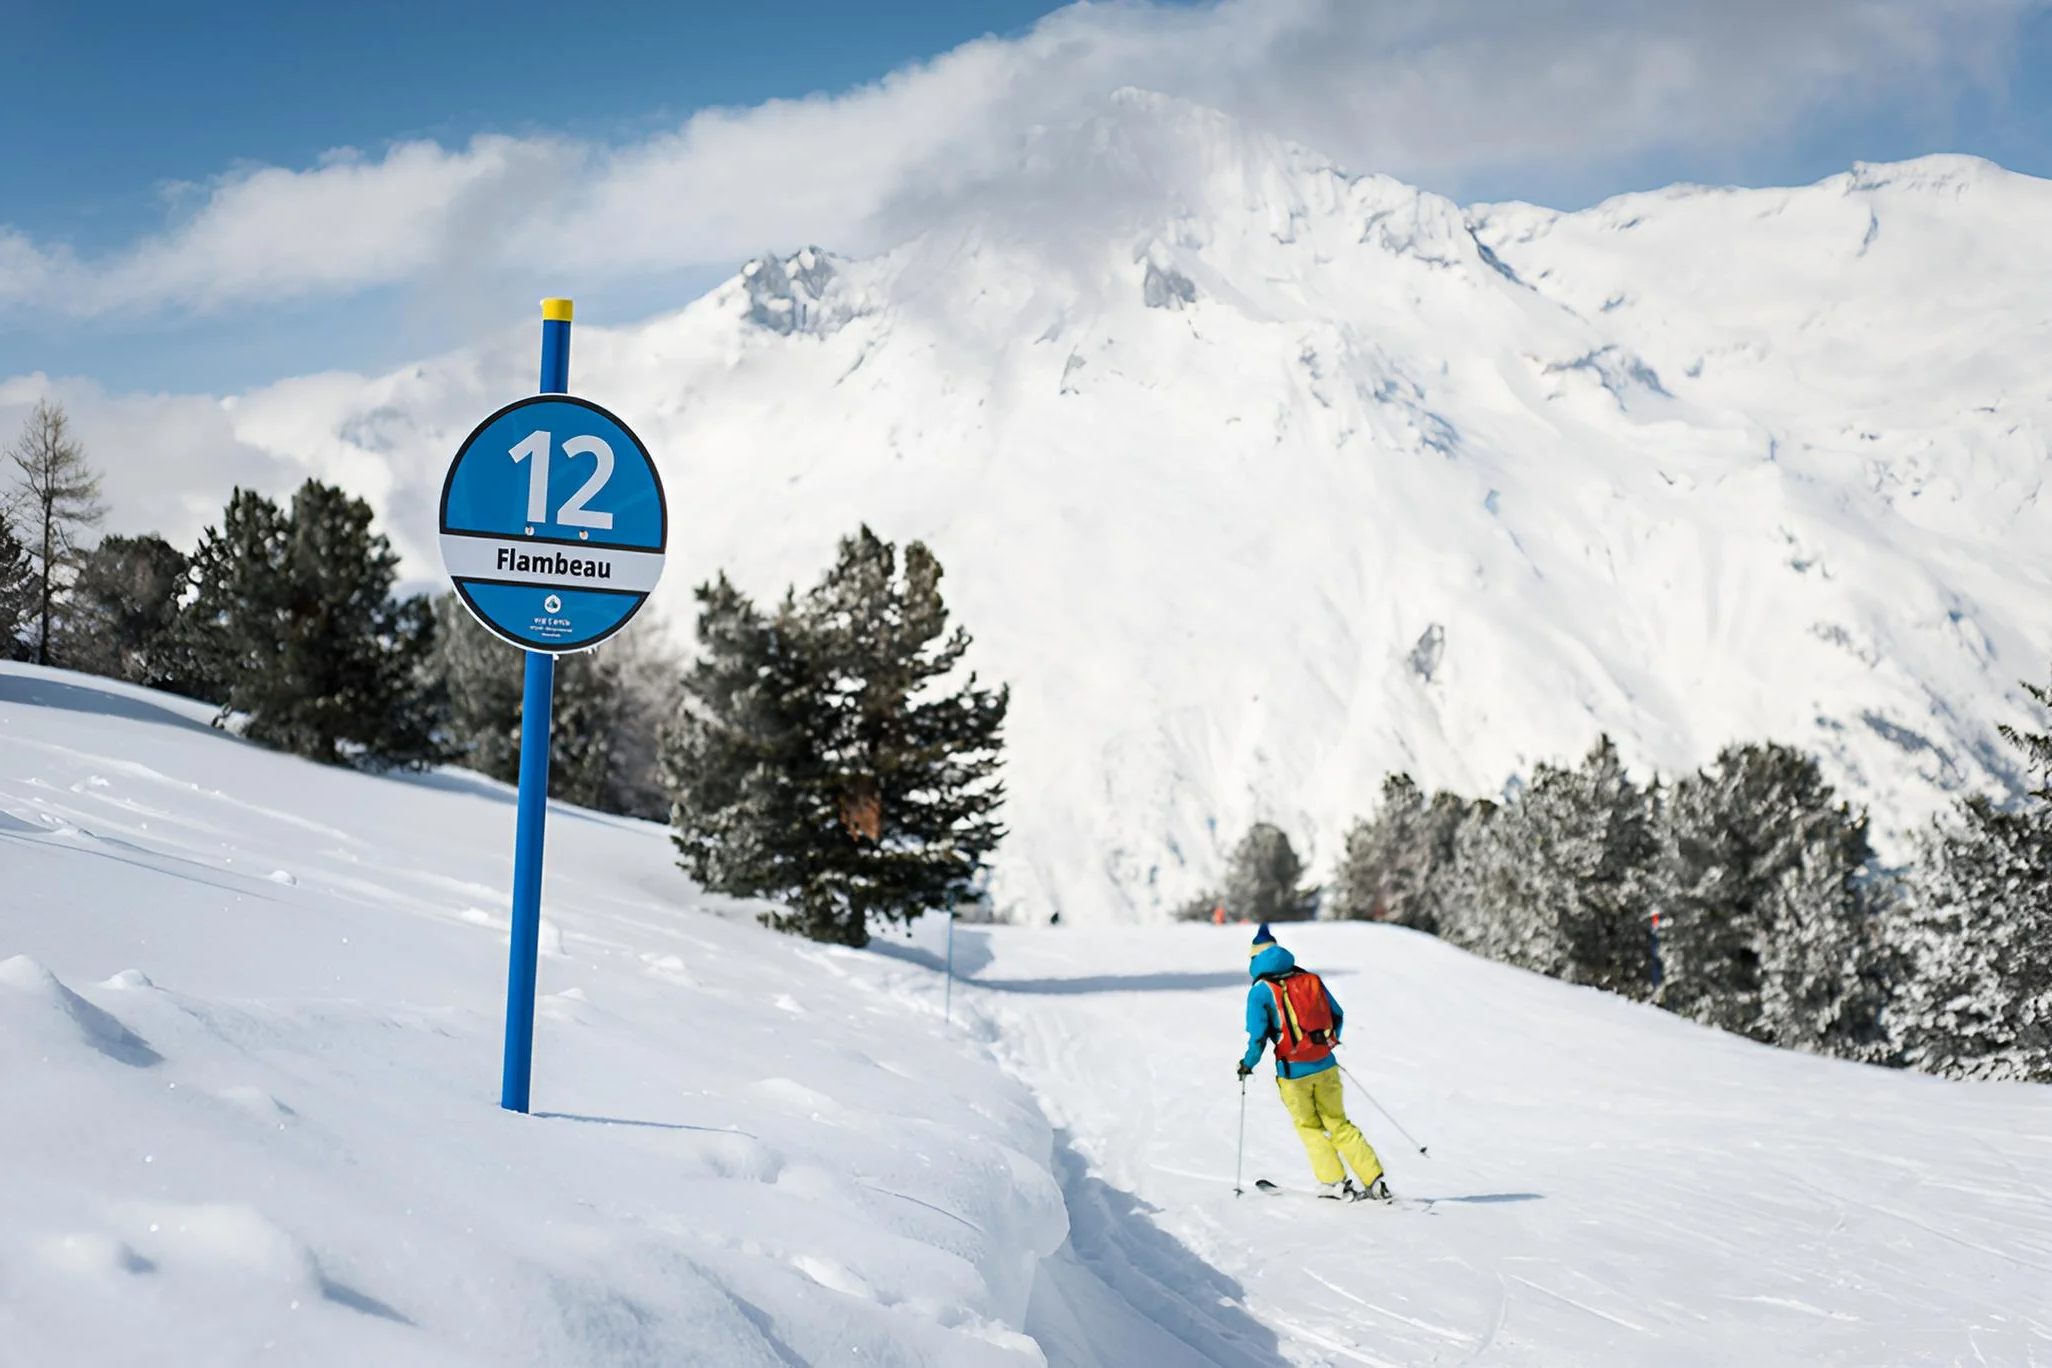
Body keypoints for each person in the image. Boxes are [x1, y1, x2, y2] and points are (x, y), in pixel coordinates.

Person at [1236, 923, 1390, 1201]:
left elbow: (1257, 1037)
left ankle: (1334, 1183)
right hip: (1326, 1065)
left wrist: (1247, 1065)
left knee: (1309, 1127)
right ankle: (1375, 1180)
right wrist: (1326, 1045)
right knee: (1339, 1124)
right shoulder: (1309, 979)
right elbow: (1337, 1014)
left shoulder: (1260, 991)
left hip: (1293, 1073)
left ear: (1254, 959)